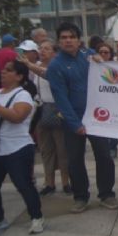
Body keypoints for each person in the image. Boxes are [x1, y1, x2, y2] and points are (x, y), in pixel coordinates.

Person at [47, 22, 118, 213]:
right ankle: (80, 196)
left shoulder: (88, 57)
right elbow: (60, 98)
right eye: (63, 37)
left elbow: (108, 76)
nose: (68, 40)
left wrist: (99, 60)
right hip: (73, 121)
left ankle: (106, 194)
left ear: (79, 40)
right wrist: (75, 124)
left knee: (104, 156)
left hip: (97, 119)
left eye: (71, 37)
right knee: (75, 159)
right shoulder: (55, 66)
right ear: (59, 41)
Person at [0, 60, 44, 234]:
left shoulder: (23, 95)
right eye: (3, 70)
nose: (3, 73)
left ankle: (36, 217)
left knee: (23, 184)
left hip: (17, 148)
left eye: (8, 70)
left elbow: (17, 117)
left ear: (19, 76)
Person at [23, 40, 71, 196]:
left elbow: (49, 76)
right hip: (42, 109)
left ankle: (65, 181)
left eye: (46, 49)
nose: (42, 51)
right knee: (46, 148)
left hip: (57, 110)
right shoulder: (34, 67)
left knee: (62, 148)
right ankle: (49, 181)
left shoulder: (57, 67)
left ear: (54, 52)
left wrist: (31, 66)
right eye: (40, 48)